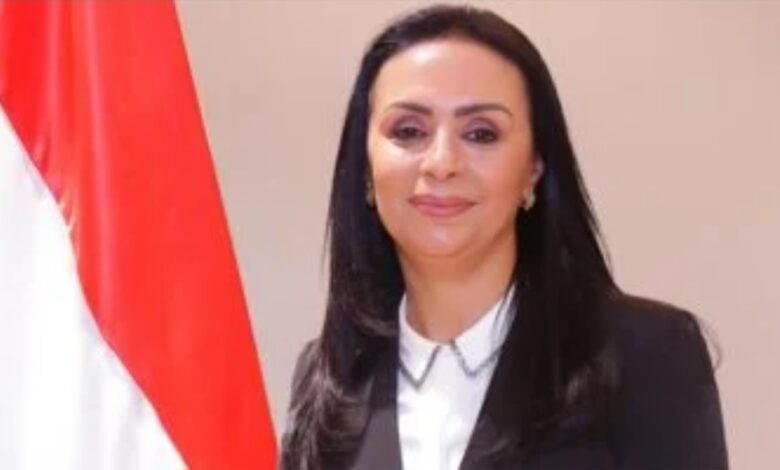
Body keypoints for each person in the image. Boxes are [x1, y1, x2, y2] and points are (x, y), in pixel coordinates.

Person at [280, 4, 728, 469]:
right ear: (365, 168)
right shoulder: (328, 376)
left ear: (533, 168)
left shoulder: (647, 354)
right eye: (409, 131)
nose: (441, 162)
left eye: (481, 134)